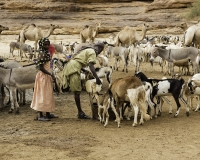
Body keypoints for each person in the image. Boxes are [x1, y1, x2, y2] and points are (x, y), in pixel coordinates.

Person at [62, 42, 104, 119]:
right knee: (77, 91)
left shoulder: (88, 49)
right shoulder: (92, 52)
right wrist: (97, 78)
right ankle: (80, 113)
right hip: (73, 68)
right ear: (100, 49)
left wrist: (84, 70)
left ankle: (80, 112)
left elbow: (79, 60)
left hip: (73, 66)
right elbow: (91, 66)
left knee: (77, 90)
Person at [30, 37, 58, 121]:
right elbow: (41, 67)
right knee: (41, 95)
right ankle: (40, 115)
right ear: (41, 44)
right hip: (43, 77)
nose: (46, 46)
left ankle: (48, 113)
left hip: (46, 76)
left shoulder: (47, 52)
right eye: (45, 44)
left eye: (48, 44)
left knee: (47, 95)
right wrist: (50, 74)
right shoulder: (42, 53)